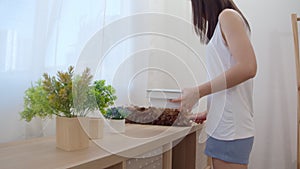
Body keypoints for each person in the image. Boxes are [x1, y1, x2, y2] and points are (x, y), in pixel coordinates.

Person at [171, 0, 257, 169]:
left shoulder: (228, 16)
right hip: (224, 125)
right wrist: (211, 110)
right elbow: (228, 77)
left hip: (230, 129)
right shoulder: (224, 21)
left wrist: (198, 92)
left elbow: (248, 67)